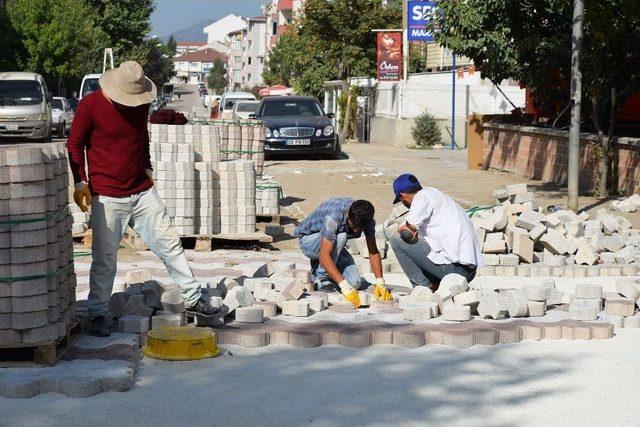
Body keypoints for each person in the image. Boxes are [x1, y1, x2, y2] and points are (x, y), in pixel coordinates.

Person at [67, 61, 223, 337]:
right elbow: (74, 143)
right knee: (105, 259)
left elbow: (142, 136)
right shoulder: (90, 105)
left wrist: (147, 166)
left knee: (170, 244)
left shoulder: (139, 104)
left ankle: (194, 298)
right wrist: (80, 180)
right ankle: (99, 313)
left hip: (142, 191)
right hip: (107, 196)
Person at [389, 174, 483, 290]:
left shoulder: (421, 197)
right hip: (468, 270)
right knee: (423, 241)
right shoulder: (434, 194)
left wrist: (408, 232)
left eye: (400, 200)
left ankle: (423, 289)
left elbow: (406, 231)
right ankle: (435, 285)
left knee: (396, 240)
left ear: (403, 196)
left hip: (456, 271)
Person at [294, 198, 392, 308]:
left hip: (331, 242)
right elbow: (324, 255)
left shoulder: (368, 220)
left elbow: (373, 251)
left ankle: (330, 273)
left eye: (359, 229)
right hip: (308, 241)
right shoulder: (335, 216)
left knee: (355, 283)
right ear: (347, 215)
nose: (355, 231)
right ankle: (321, 277)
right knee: (342, 236)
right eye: (354, 226)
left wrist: (380, 282)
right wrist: (344, 286)